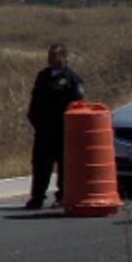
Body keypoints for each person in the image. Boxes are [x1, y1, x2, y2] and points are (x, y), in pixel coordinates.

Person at [25, 44, 84, 209]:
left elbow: (77, 106)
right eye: (50, 55)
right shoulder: (43, 76)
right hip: (43, 130)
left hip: (62, 131)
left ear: (64, 58)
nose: (51, 59)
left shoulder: (72, 79)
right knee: (40, 164)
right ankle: (37, 196)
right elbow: (35, 102)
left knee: (64, 165)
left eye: (55, 55)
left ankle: (62, 195)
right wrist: (34, 119)